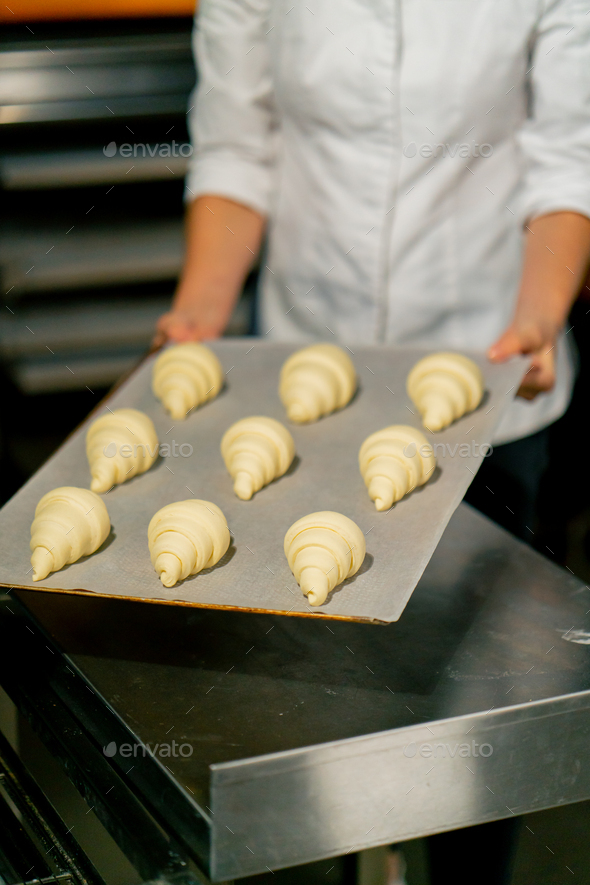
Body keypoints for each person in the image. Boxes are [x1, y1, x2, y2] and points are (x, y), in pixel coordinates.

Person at [156, 2, 590, 881]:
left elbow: (567, 164)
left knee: (479, 725)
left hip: (488, 381)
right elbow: (241, 143)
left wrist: (539, 315)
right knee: (320, 710)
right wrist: (200, 312)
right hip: (308, 392)